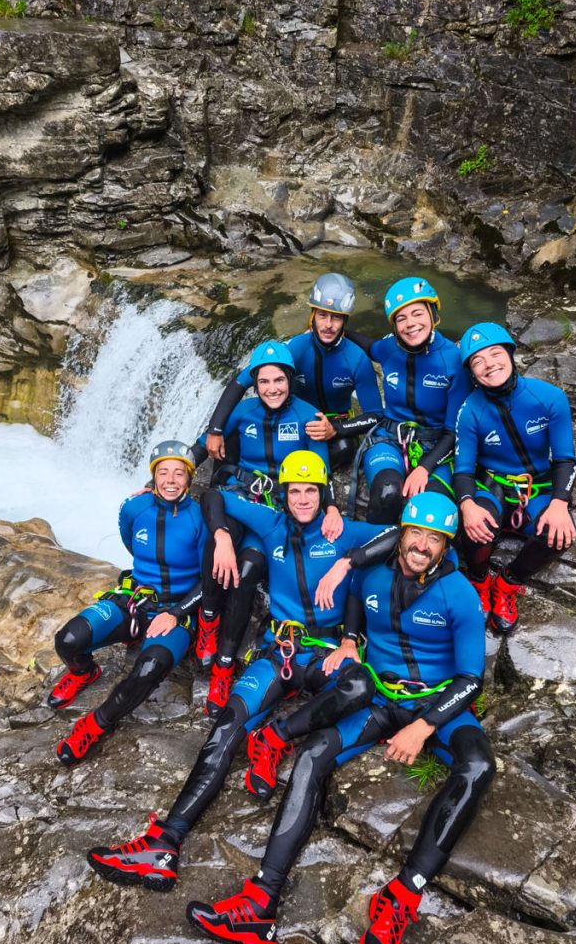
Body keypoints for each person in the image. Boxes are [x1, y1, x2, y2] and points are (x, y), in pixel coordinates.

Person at [183, 492, 495, 944]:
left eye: (435, 539)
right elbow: (354, 597)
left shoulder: (460, 595)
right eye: (416, 534)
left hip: (436, 701)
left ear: (446, 547)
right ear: (401, 535)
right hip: (379, 694)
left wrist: (425, 726)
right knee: (311, 756)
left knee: (478, 766)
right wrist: (350, 639)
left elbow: (472, 679)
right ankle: (261, 905)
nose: (423, 546)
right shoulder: (371, 571)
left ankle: (402, 895)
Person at [85, 451, 394, 890]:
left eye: (311, 491)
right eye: (294, 491)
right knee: (227, 724)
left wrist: (350, 561)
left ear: (323, 492)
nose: (302, 499)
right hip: (279, 651)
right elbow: (213, 494)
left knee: (361, 685)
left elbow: (407, 536)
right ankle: (165, 842)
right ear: (283, 494)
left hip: (325, 654)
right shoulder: (270, 524)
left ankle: (276, 736)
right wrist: (223, 540)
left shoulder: (343, 530)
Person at [193, 341, 342, 717]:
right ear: (254, 385)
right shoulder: (242, 411)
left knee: (247, 570)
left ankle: (225, 664)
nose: (272, 388)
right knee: (217, 541)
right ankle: (208, 619)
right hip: (242, 495)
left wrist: (332, 508)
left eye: (279, 380)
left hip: (277, 507)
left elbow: (320, 473)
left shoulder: (309, 417)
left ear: (290, 380)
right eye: (264, 381)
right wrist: (172, 473)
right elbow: (203, 444)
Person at [46, 442, 207, 764]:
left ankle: (95, 724)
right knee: (67, 640)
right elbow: (130, 541)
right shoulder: (134, 508)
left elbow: (210, 580)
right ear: (153, 477)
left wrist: (177, 613)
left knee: (148, 669)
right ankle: (84, 672)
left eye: (179, 473)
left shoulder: (200, 519)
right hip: (133, 598)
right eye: (163, 473)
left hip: (175, 610)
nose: (171, 480)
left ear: (189, 478)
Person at [453, 322, 576, 633]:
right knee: (474, 526)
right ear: (472, 372)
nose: (489, 364)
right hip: (493, 484)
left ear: (510, 354)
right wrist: (467, 504)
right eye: (478, 361)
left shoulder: (549, 398)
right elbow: (464, 470)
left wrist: (560, 503)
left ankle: (508, 584)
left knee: (558, 533)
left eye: (495, 353)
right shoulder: (470, 410)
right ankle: (479, 580)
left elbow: (565, 459)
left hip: (538, 485)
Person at [204, 272, 383, 472]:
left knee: (343, 449)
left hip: (333, 424)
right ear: (312, 316)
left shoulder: (356, 358)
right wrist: (215, 429)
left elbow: (375, 415)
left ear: (345, 321)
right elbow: (240, 382)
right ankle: (224, 485)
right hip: (290, 418)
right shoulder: (296, 348)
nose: (328, 325)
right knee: (233, 433)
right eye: (322, 315)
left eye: (337, 318)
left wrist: (336, 429)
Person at [343, 277, 473, 524]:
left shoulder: (454, 361)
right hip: (390, 439)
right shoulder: (390, 348)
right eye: (401, 318)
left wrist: (424, 468)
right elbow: (370, 346)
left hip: (437, 447)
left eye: (417, 314)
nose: (410, 324)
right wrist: (339, 330)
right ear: (394, 326)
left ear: (432, 314)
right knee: (387, 491)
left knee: (431, 509)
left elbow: (453, 431)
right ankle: (377, 555)